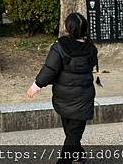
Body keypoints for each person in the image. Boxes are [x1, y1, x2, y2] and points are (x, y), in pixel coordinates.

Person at [27, 13, 98, 164]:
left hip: (64, 98)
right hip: (83, 98)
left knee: (72, 134)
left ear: (67, 28)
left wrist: (36, 86)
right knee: (72, 133)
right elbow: (91, 65)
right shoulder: (91, 47)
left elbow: (50, 69)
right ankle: (78, 155)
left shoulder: (59, 46)